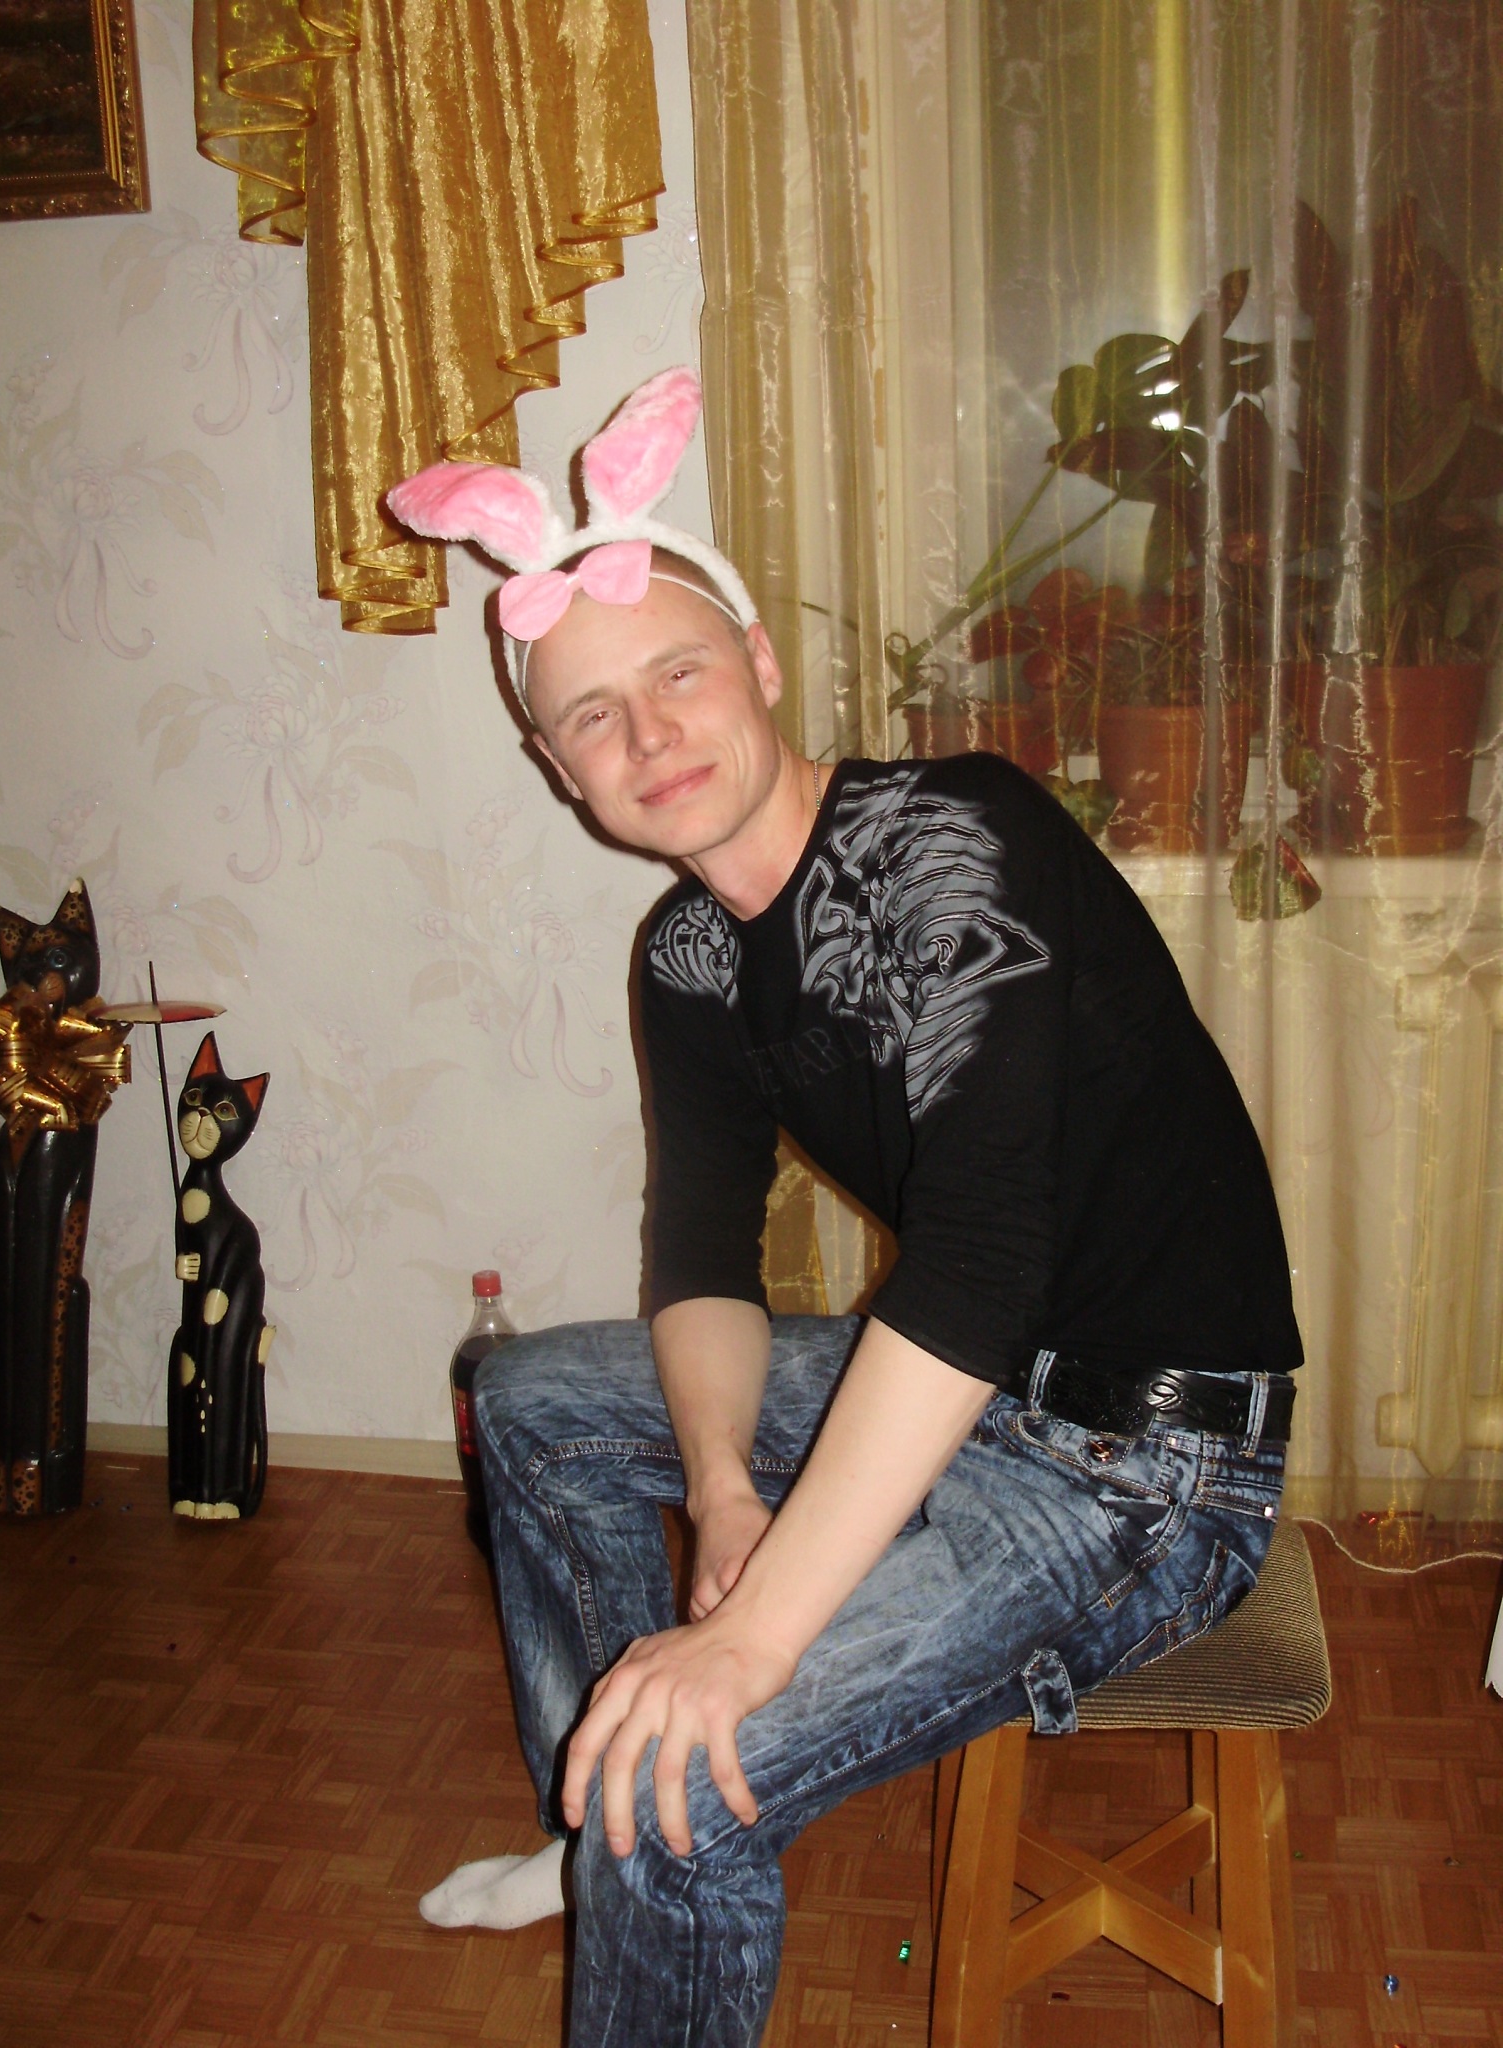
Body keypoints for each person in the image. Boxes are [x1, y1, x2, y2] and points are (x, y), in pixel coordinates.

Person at [389, 369, 1302, 2047]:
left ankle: (636, 1806)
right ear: (556, 768)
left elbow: (980, 1261)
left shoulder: (953, 836)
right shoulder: (687, 956)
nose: (648, 736)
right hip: (979, 1393)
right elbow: (701, 1252)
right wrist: (727, 1490)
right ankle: (592, 1821)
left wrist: (747, 1644)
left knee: (685, 1790)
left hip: (1149, 1464)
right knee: (529, 1399)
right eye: (593, 716)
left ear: (760, 665)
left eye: (677, 674)